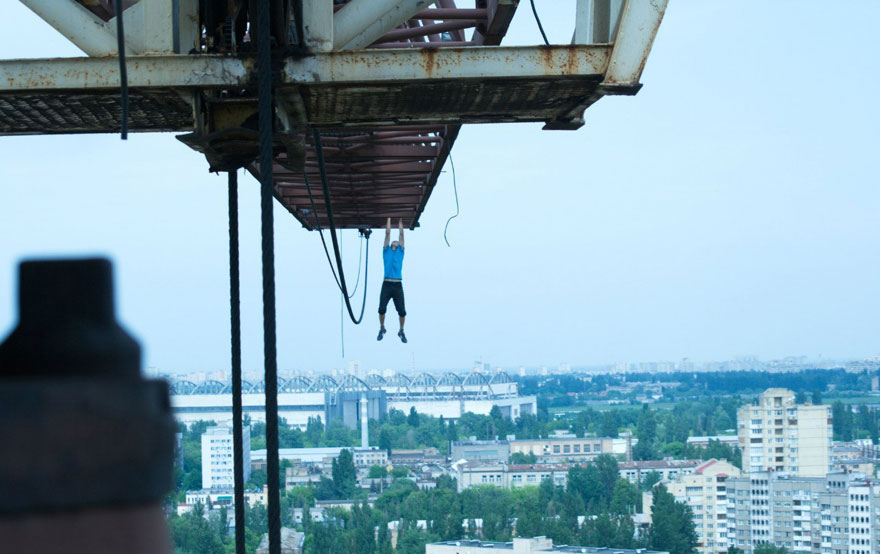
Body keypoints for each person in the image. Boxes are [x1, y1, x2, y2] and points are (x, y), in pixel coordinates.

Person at [377, 217, 407, 343]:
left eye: (397, 242)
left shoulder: (401, 252)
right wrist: (388, 218)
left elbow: (401, 234)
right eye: (394, 242)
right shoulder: (386, 251)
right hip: (387, 284)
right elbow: (387, 233)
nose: (395, 242)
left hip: (397, 284)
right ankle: (382, 327)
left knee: (402, 311)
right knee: (381, 309)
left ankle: (401, 330)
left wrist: (400, 221)